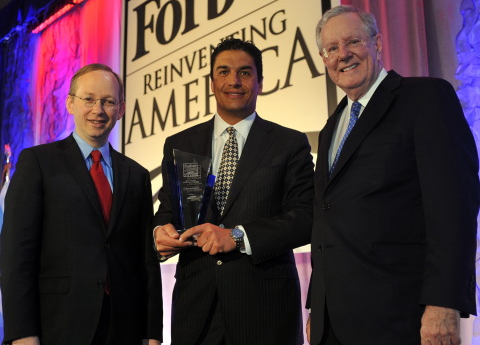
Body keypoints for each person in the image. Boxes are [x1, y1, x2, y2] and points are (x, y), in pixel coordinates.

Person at [306, 5, 479, 345]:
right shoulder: (330, 128)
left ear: (378, 43)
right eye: (331, 49)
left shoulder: (425, 97)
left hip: (403, 317)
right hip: (335, 323)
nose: (344, 55)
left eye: (353, 41)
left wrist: (444, 302)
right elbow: (325, 220)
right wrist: (316, 305)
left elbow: (454, 207)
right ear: (324, 60)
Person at [153, 38, 314, 345]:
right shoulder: (181, 143)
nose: (234, 81)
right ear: (212, 82)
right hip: (196, 310)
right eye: (224, 72)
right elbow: (167, 212)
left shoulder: (288, 144)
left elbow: (305, 217)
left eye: (245, 72)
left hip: (266, 312)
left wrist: (237, 237)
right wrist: (159, 232)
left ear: (261, 82)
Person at [0, 64, 163, 345]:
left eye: (108, 101)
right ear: (71, 103)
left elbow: (146, 263)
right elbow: (16, 255)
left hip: (125, 328)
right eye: (89, 99)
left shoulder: (136, 175)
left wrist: (152, 334)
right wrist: (22, 333)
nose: (98, 110)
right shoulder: (38, 162)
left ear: (121, 109)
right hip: (57, 326)